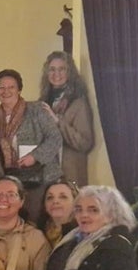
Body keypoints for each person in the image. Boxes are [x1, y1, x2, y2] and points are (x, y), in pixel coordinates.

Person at [0, 68, 63, 219]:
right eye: (1, 87)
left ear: (19, 89)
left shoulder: (36, 110)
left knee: (38, 222)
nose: (6, 91)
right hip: (12, 183)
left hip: (41, 179)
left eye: (11, 87)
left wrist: (35, 156)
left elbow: (55, 137)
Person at [40, 51, 96, 185]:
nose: (56, 74)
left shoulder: (78, 103)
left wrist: (58, 122)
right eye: (52, 69)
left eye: (61, 69)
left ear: (69, 72)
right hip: (46, 175)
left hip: (69, 175)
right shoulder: (43, 101)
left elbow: (84, 143)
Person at [37, 178, 79, 247]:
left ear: (75, 202)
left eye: (63, 197)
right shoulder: (37, 232)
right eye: (50, 197)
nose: (55, 201)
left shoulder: (83, 232)